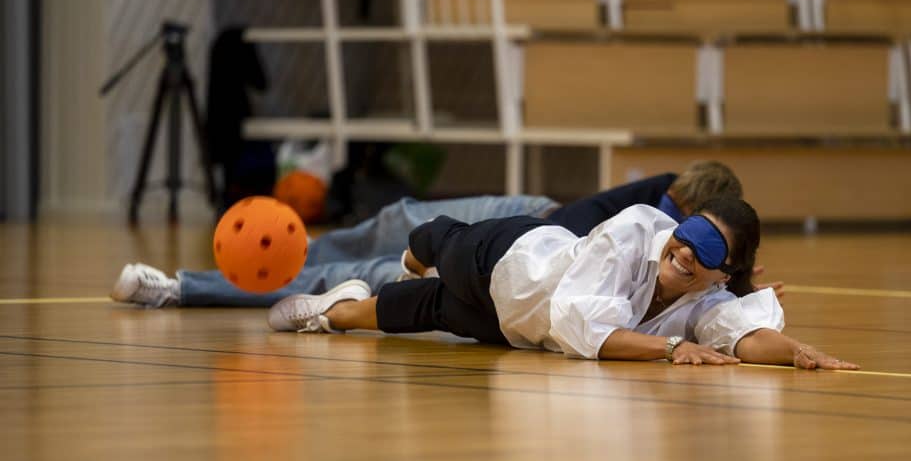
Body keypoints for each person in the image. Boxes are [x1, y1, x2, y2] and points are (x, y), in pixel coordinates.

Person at [266, 197, 851, 371]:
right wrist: (670, 347)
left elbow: (741, 337)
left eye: (709, 253)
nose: (685, 253)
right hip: (507, 261)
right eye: (689, 235)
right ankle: (417, 250)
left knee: (408, 313)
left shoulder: (708, 298)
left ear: (724, 273)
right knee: (440, 239)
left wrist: (796, 353)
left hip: (511, 327)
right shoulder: (635, 231)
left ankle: (332, 311)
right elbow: (579, 325)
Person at [110, 162, 772, 308]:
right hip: (536, 220)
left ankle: (179, 289)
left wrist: (743, 290)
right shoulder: (657, 193)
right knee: (398, 217)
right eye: (676, 204)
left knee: (370, 276)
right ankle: (284, 249)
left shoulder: (677, 251)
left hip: (520, 263)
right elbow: (580, 212)